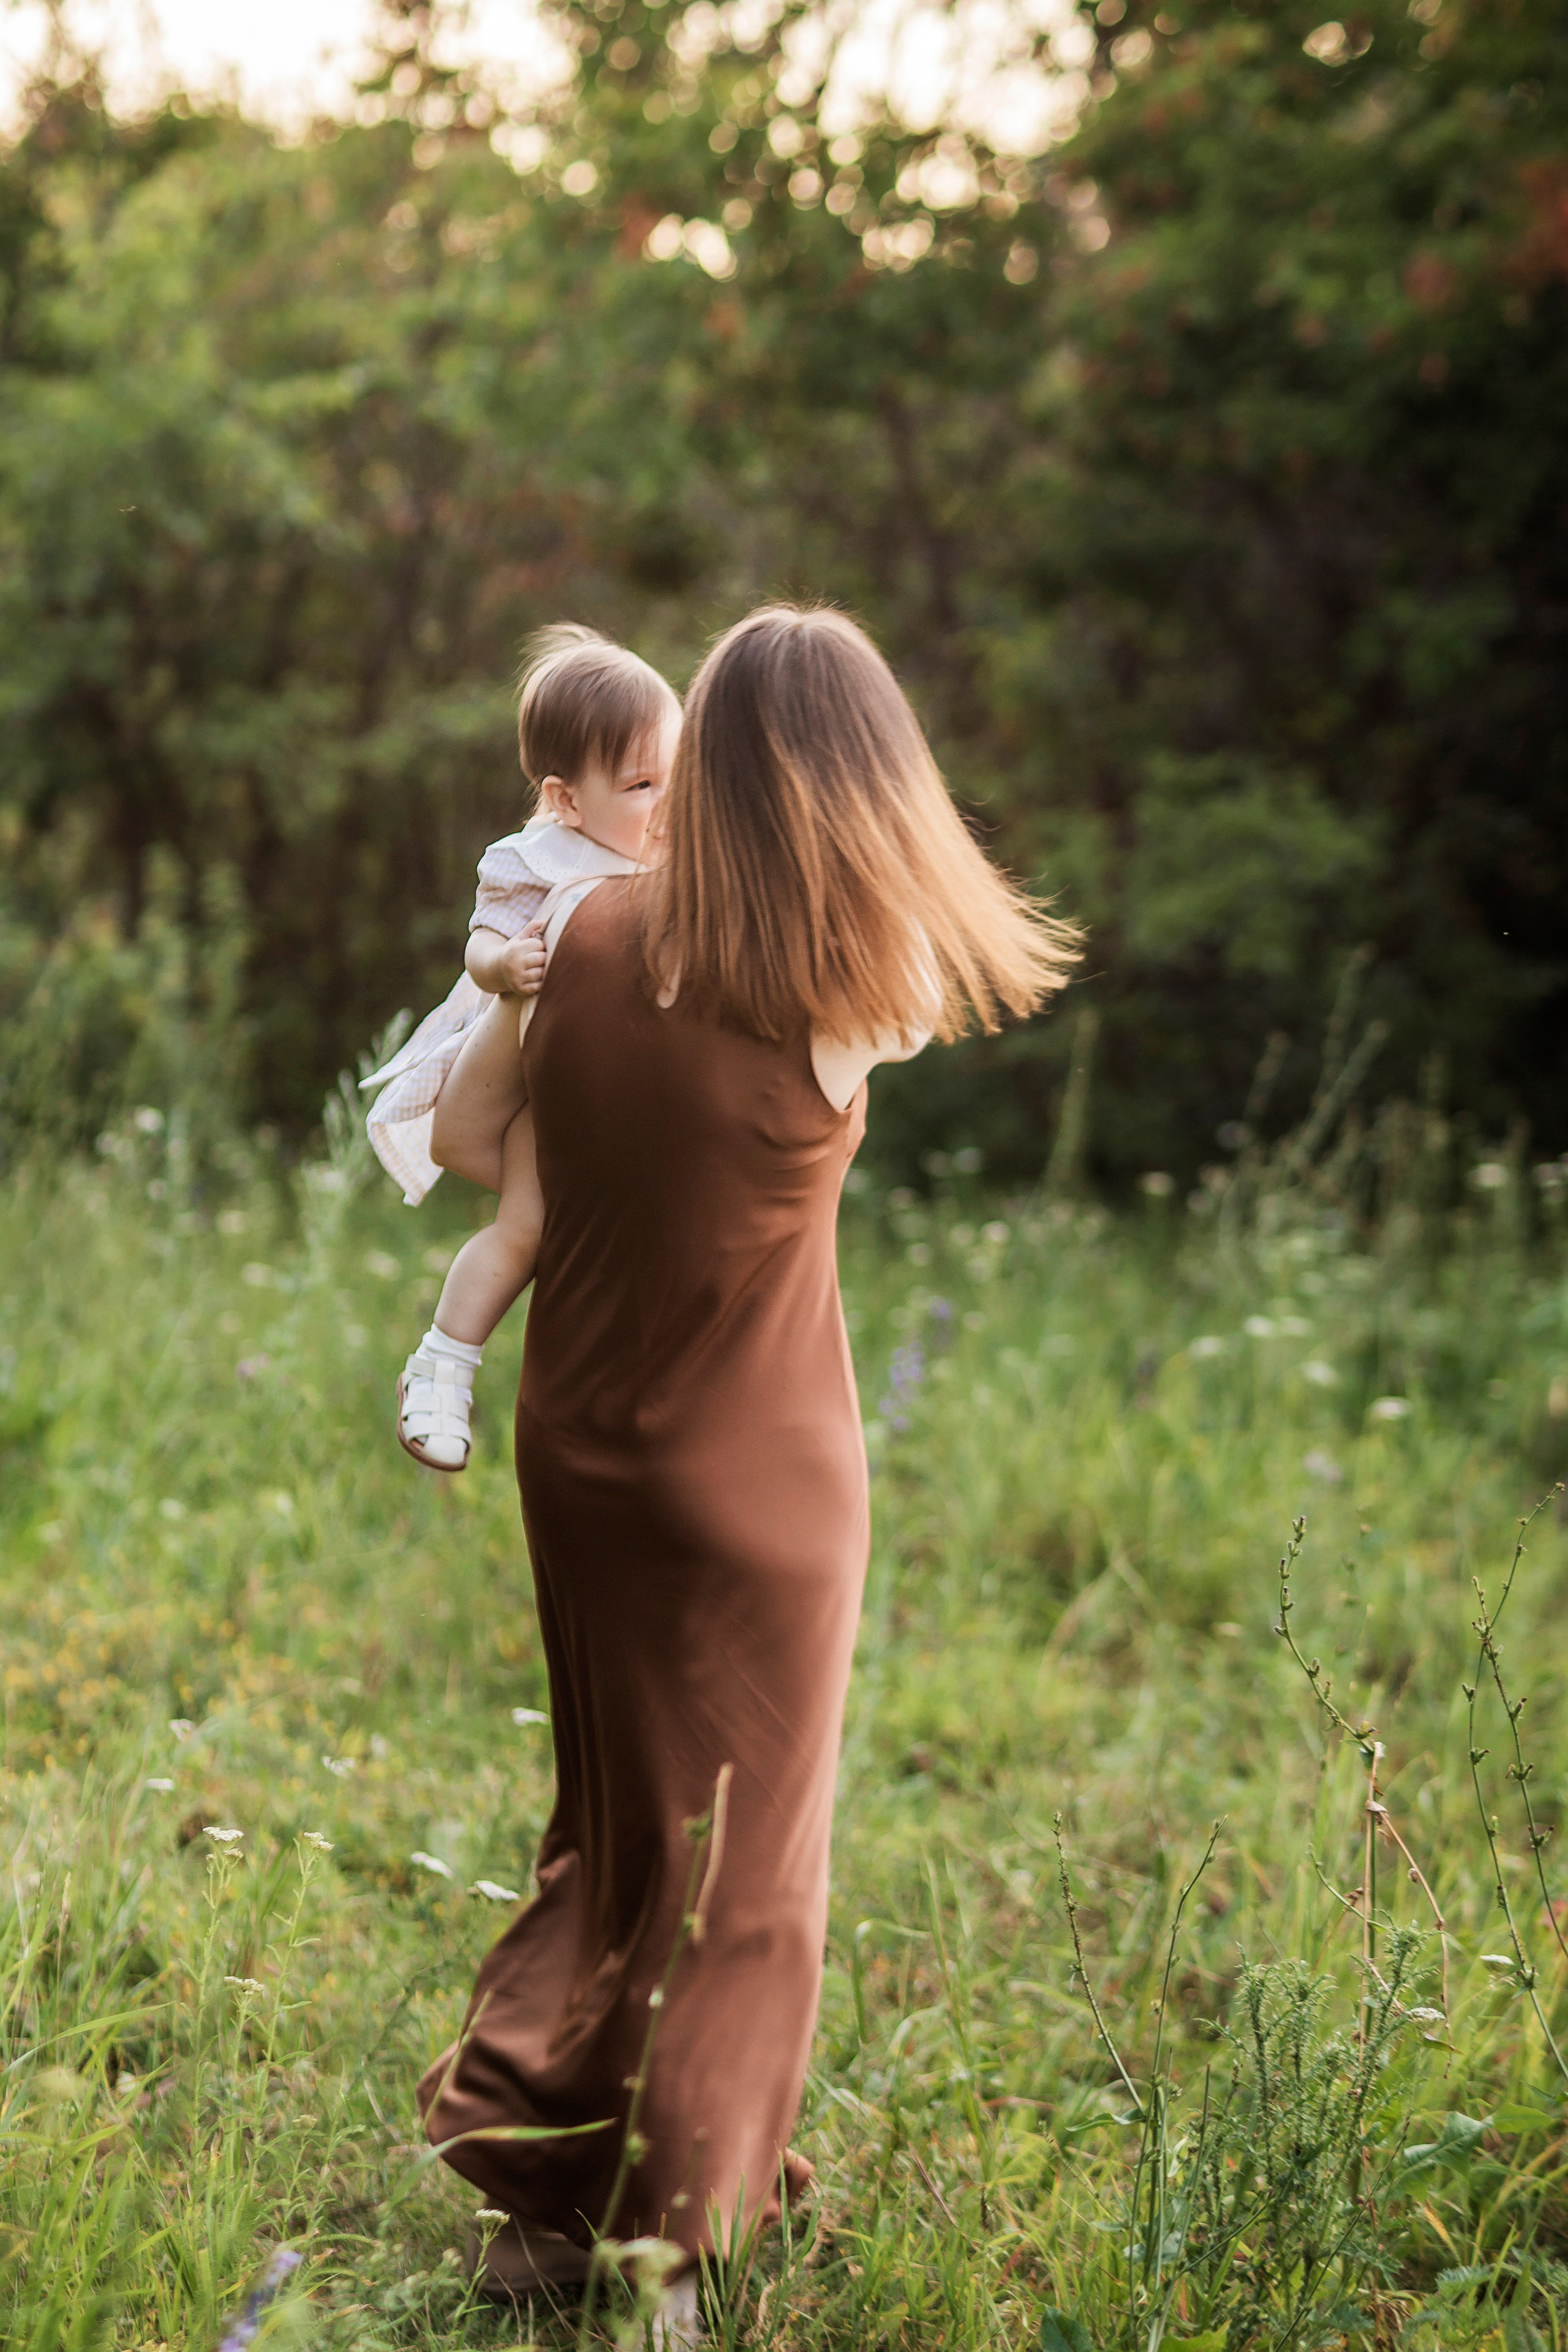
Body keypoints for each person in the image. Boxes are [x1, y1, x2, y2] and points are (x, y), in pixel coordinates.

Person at [416, 604, 1080, 2345]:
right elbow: (922, 960)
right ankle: (667, 2252)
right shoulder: (857, 993)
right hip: (764, 1482)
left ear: (694, 758)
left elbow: (472, 1144)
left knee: (624, 1827)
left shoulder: (582, 928)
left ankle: (560, 2200)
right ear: (859, 785)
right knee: (751, 1879)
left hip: (582, 1452)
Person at [358, 626, 681, 1471]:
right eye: (644, 784)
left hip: (631, 1086)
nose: (668, 802)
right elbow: (478, 946)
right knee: (525, 1228)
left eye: (680, 777)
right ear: (567, 801)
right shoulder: (533, 861)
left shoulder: (676, 853)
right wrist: (506, 966)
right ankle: (441, 1364)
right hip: (538, 1084)